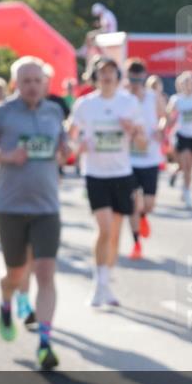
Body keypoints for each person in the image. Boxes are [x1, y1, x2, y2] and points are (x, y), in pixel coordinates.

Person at [0, 56, 67, 369]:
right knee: (17, 274)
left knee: (45, 272)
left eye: (37, 80)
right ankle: (6, 300)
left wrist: (66, 150)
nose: (32, 86)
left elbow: (61, 143)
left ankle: (45, 342)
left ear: (45, 83)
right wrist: (6, 156)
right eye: (26, 81)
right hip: (10, 207)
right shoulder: (0, 114)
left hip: (47, 206)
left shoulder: (54, 110)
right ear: (16, 83)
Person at [69, 56, 146, 307]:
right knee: (103, 229)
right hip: (95, 174)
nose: (107, 76)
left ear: (118, 76)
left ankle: (106, 279)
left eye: (111, 71)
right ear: (95, 77)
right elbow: (71, 136)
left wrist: (132, 130)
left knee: (114, 233)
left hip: (122, 172)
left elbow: (143, 143)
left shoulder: (129, 103)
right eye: (102, 72)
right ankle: (99, 283)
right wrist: (78, 145)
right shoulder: (85, 104)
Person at [124, 58, 166, 259]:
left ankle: (143, 217)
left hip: (150, 157)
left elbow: (164, 116)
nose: (135, 83)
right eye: (131, 79)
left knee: (147, 203)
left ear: (144, 77)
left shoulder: (153, 96)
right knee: (132, 202)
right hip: (128, 160)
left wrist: (160, 128)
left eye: (138, 79)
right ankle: (136, 243)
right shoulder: (121, 98)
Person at [165, 71, 192, 207]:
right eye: (186, 83)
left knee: (189, 166)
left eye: (191, 82)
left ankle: (177, 176)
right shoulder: (177, 99)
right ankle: (187, 192)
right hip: (181, 134)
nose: (189, 85)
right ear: (181, 85)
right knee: (185, 163)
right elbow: (168, 115)